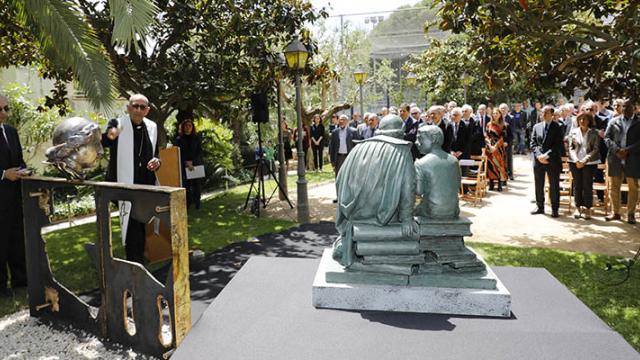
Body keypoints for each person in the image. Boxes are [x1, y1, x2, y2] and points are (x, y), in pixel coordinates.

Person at [332, 114, 417, 266]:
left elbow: (340, 179)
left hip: (352, 212)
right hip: (383, 215)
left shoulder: (358, 148)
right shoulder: (402, 151)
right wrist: (406, 218)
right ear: (401, 132)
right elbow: (408, 187)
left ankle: (345, 240)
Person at [102, 94, 161, 264]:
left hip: (145, 185)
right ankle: (135, 261)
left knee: (139, 223)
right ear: (128, 108)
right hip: (124, 184)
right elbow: (105, 141)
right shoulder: (117, 124)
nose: (138, 110)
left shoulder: (152, 127)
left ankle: (137, 260)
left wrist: (157, 161)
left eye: (143, 107)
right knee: (132, 225)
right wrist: (109, 136)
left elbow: (155, 153)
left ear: (147, 110)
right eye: (135, 106)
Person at [0, 95, 28, 297]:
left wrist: (24, 171)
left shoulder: (11, 131)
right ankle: (1, 287)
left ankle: (21, 280)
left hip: (15, 198)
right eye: (0, 109)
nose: (4, 113)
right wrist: (3, 174)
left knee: (17, 241)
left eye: (5, 108)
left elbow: (19, 160)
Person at [604, 99, 640, 224]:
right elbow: (607, 138)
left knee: (633, 188)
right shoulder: (613, 121)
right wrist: (617, 150)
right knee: (614, 187)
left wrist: (627, 150)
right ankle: (616, 213)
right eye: (623, 106)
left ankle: (631, 214)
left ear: (634, 108)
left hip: (633, 160)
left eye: (628, 106)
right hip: (615, 158)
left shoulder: (638, 122)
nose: (625, 108)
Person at [530, 105, 565, 218]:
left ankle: (555, 209)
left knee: (554, 186)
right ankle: (540, 206)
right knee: (538, 184)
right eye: (542, 112)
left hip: (552, 160)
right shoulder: (536, 127)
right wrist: (539, 155)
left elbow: (558, 145)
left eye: (546, 112)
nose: (544, 114)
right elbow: (533, 143)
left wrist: (547, 155)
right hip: (538, 160)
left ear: (552, 114)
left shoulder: (558, 127)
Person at [567, 113, 600, 220]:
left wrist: (585, 160)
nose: (582, 121)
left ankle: (588, 208)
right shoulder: (573, 132)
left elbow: (595, 149)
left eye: (585, 119)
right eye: (580, 119)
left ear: (589, 121)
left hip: (589, 163)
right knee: (577, 185)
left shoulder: (594, 133)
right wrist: (576, 160)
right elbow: (571, 148)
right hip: (575, 162)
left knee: (587, 185)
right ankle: (577, 207)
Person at [173, 116, 203, 210]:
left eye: (190, 126)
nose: (188, 127)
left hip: (195, 165)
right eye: (186, 126)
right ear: (183, 127)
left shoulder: (196, 138)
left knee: (197, 186)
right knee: (186, 186)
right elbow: (176, 153)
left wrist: (192, 162)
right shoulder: (178, 139)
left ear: (192, 127)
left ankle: (197, 204)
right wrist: (186, 162)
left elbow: (200, 152)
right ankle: (188, 204)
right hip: (183, 165)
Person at [485, 108, 507, 192]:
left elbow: (503, 137)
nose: (495, 115)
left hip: (499, 148)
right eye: (493, 113)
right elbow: (486, 135)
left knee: (499, 165)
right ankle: (491, 183)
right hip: (489, 147)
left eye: (497, 113)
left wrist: (495, 146)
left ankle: (499, 184)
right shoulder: (488, 124)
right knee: (491, 166)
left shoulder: (503, 125)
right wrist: (489, 145)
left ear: (500, 114)